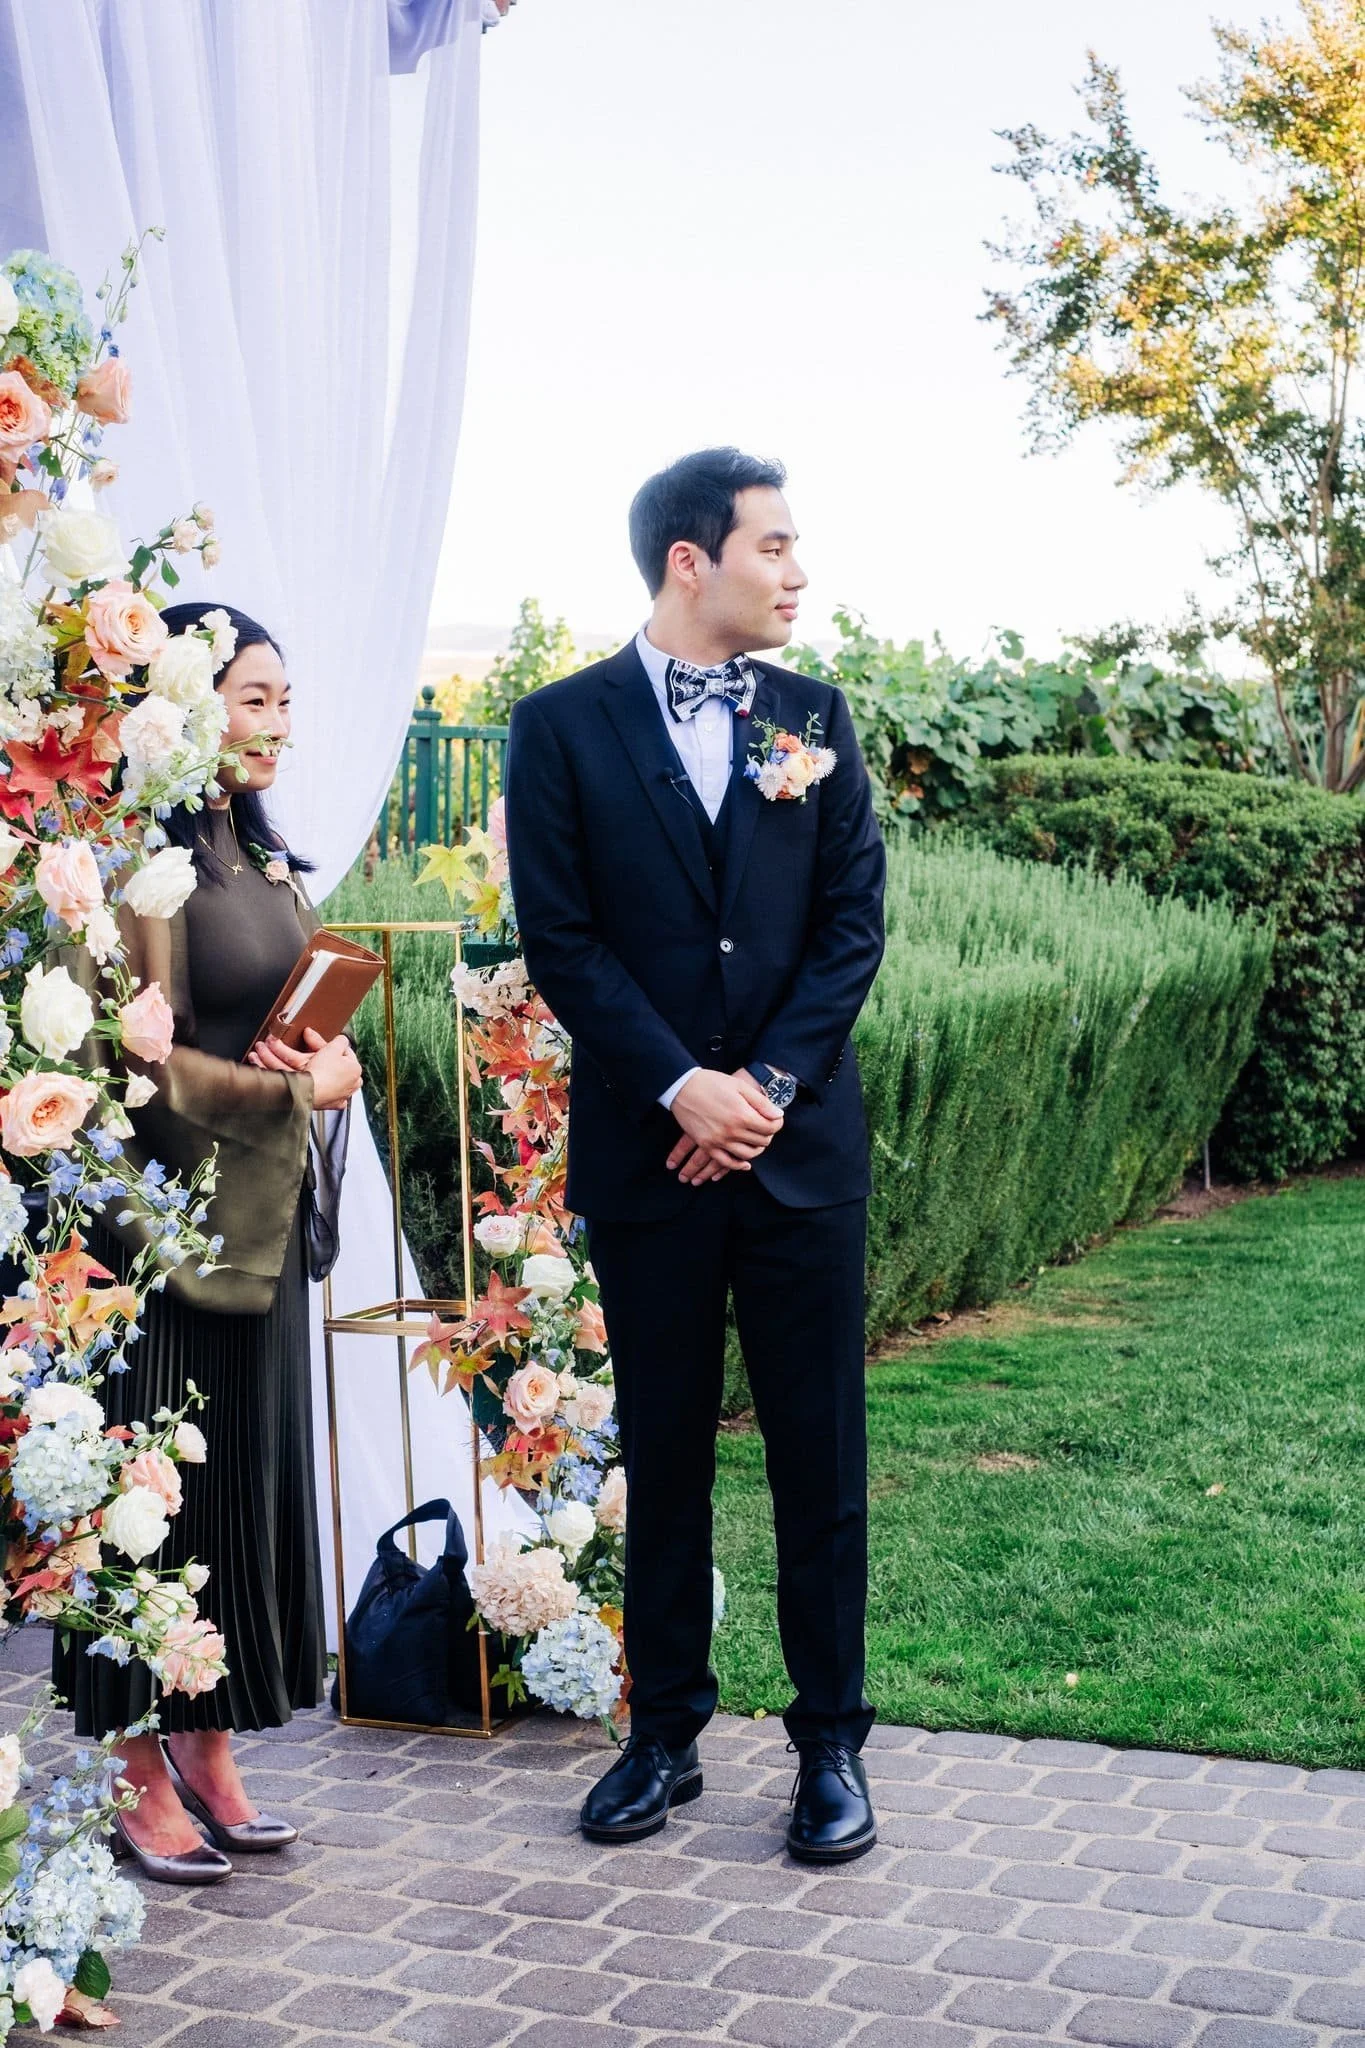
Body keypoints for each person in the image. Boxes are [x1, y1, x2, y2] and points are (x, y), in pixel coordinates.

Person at [506, 448, 886, 1864]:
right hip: (651, 1156)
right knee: (662, 1453)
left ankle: (831, 1747)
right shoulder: (558, 728)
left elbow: (851, 922)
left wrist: (763, 1091)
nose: (796, 571)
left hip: (796, 1157)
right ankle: (661, 1735)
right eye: (774, 546)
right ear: (689, 559)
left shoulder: (814, 716)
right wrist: (680, 1089)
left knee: (819, 1459)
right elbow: (565, 942)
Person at [54, 602, 363, 1884]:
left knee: (241, 1486)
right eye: (252, 697)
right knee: (160, 1503)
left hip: (261, 1218)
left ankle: (212, 1744)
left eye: (286, 697)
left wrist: (323, 1056)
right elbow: (118, 1061)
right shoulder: (144, 865)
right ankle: (135, 1760)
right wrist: (289, 1091)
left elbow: (266, 1025)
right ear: (183, 710)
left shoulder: (261, 852)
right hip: (169, 1234)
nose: (277, 722)